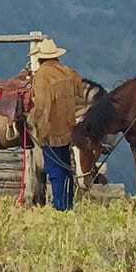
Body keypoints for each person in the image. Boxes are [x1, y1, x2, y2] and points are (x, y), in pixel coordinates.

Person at [28, 38, 83, 211]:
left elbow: (42, 106)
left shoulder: (42, 76)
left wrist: (32, 122)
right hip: (67, 130)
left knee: (55, 172)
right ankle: (68, 205)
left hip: (50, 132)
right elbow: (79, 95)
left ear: (40, 58)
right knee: (66, 170)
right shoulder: (68, 72)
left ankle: (60, 208)